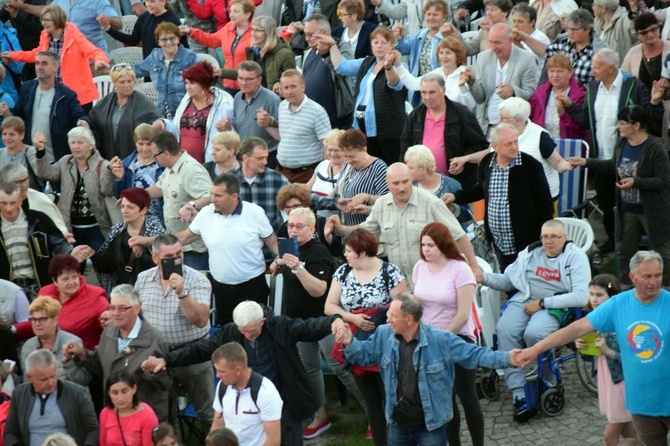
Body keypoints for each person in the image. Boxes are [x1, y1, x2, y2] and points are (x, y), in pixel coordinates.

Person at [142, 300, 348, 446]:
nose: (248, 335)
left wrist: (334, 320)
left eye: (252, 330)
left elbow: (309, 327)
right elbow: (201, 350)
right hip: (249, 403)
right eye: (244, 331)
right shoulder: (232, 332)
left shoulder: (280, 327)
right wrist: (167, 360)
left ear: (263, 321)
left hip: (286, 401)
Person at [517, 250, 670, 446]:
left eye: (658, 275)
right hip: (642, 405)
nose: (654, 282)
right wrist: (535, 349)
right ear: (632, 277)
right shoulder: (619, 304)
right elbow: (576, 329)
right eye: (647, 276)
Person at [335, 292, 523, 445]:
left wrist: (508, 358)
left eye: (392, 315)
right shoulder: (383, 334)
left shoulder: (440, 339)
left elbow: (475, 355)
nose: (387, 318)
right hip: (398, 421)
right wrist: (349, 341)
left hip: (430, 424)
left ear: (409, 319)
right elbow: (363, 355)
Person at [482, 219, 590, 422]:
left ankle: (548, 379)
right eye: (545, 237)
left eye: (554, 237)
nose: (549, 241)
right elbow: (508, 280)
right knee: (504, 328)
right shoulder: (530, 254)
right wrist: (484, 278)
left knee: (534, 333)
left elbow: (582, 296)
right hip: (525, 298)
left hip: (554, 303)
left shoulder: (576, 257)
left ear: (564, 237)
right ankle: (518, 392)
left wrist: (542, 303)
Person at [561, 49, 664, 254]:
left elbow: (649, 118)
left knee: (631, 205)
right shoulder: (591, 88)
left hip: (630, 158)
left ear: (611, 68)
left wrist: (655, 101)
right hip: (602, 158)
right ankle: (612, 241)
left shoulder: (632, 86)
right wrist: (571, 107)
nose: (592, 71)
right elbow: (586, 120)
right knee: (607, 203)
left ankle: (641, 246)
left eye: (597, 66)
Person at [568, 105, 670, 286]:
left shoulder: (655, 147)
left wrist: (636, 182)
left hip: (651, 211)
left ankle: (665, 290)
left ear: (636, 125)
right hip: (627, 209)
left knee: (662, 252)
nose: (618, 126)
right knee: (624, 251)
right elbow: (613, 165)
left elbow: (663, 180)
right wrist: (586, 162)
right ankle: (625, 289)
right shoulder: (622, 143)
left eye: (622, 123)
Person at [331, 163, 480, 287]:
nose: (401, 187)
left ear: (411, 180)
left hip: (434, 283)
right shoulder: (382, 205)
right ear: (388, 184)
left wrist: (474, 267)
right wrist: (341, 229)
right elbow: (365, 230)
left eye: (405, 182)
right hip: (401, 286)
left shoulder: (431, 202)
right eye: (396, 183)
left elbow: (459, 234)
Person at [324, 228, 407, 445]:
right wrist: (353, 318)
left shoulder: (390, 272)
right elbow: (329, 306)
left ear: (362, 252)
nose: (345, 255)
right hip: (355, 339)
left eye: (349, 251)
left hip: (385, 343)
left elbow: (402, 308)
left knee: (391, 398)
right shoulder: (342, 272)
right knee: (371, 402)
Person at [270, 207, 341, 438]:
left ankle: (374, 412)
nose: (293, 230)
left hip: (323, 321)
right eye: (291, 225)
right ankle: (320, 415)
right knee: (309, 370)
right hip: (297, 322)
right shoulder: (289, 248)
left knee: (341, 366)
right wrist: (275, 267)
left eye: (299, 226)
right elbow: (281, 281)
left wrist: (297, 267)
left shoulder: (317, 251)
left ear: (312, 229)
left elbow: (318, 291)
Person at [444, 124, 554, 270]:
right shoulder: (486, 163)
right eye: (508, 144)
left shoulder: (531, 166)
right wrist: (456, 196)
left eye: (516, 142)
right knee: (507, 281)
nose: (514, 147)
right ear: (495, 146)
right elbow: (481, 190)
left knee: (527, 282)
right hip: (498, 241)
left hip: (526, 241)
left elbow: (545, 204)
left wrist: (544, 238)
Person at [173, 173, 278, 326]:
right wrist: (148, 240)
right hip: (221, 289)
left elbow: (273, 242)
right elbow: (183, 238)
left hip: (252, 286)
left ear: (234, 196)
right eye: (212, 194)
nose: (213, 199)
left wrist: (281, 261)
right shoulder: (206, 214)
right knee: (228, 334)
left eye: (218, 195)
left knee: (254, 331)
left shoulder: (254, 213)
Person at [135, 234, 214, 428]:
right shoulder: (143, 278)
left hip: (192, 354)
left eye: (179, 253)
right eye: (169, 256)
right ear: (155, 258)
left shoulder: (197, 280)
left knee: (208, 413)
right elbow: (137, 314)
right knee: (162, 414)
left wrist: (182, 293)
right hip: (158, 354)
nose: (176, 259)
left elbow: (201, 319)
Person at [412, 222, 480, 445]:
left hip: (458, 337)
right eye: (423, 245)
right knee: (445, 399)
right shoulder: (419, 267)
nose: (426, 250)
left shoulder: (459, 269)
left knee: (467, 396)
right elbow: (418, 303)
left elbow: (462, 314)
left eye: (431, 245)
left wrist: (440, 340)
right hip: (428, 337)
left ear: (442, 245)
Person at [63, 284, 172, 422]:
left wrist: (153, 373)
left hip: (144, 419)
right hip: (113, 416)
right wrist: (82, 354)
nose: (115, 313)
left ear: (137, 308)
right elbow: (101, 366)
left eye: (122, 308)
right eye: (112, 308)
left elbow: (166, 384)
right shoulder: (109, 332)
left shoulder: (154, 340)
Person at [1, 5, 110, 110]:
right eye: (42, 20)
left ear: (57, 20)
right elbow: (37, 54)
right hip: (55, 94)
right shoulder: (45, 36)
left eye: (47, 20)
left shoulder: (74, 36)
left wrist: (100, 60)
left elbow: (93, 51)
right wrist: (13, 55)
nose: (43, 23)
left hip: (77, 97)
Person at [323, 27, 407, 163]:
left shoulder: (399, 65)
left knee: (390, 166)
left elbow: (395, 84)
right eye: (375, 42)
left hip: (388, 131)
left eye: (383, 42)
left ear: (391, 45)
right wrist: (332, 44)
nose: (379, 46)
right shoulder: (367, 62)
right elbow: (342, 67)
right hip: (364, 127)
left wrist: (388, 66)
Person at [575, 275, 636, 445]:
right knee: (628, 430)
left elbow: (633, 359)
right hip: (607, 380)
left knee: (610, 436)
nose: (594, 299)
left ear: (612, 296)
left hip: (621, 383)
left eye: (599, 295)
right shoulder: (593, 320)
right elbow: (592, 357)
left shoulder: (620, 323)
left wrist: (608, 351)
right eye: (591, 294)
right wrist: (583, 348)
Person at [0, 183, 90, 299]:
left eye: (13, 203)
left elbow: (58, 243)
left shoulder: (39, 220)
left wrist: (71, 253)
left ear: (21, 200)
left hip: (38, 284)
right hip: (7, 288)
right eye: (3, 203)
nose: (9, 208)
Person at [34, 126, 115, 251]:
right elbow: (46, 173)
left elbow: (107, 191)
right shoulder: (65, 161)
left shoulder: (103, 164)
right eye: (72, 142)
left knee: (104, 265)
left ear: (91, 145)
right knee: (74, 265)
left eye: (80, 142)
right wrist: (40, 151)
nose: (75, 146)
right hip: (71, 227)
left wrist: (110, 172)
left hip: (96, 227)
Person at [400, 74, 489, 189]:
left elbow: (481, 145)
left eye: (432, 92)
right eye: (423, 93)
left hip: (455, 185)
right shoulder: (415, 116)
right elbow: (405, 147)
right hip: (422, 185)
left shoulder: (462, 114)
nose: (427, 97)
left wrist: (463, 162)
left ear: (443, 91)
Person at [1, 51, 91, 162]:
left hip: (57, 157)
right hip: (31, 156)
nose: (39, 67)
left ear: (55, 67)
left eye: (44, 63)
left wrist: (83, 121)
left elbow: (79, 114)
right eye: (37, 63)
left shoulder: (66, 94)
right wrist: (6, 112)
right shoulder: (27, 88)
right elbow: (19, 115)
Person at [145, 131, 212, 270]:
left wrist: (191, 205)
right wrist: (135, 195)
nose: (153, 158)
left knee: (193, 288)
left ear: (166, 153)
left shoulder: (191, 170)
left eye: (155, 155)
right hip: (176, 246)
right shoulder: (170, 169)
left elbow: (211, 196)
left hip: (194, 250)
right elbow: (159, 188)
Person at [4, 349, 99, 446]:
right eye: (44, 379)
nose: (51, 383)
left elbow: (93, 430)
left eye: (53, 376)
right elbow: (10, 433)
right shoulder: (19, 395)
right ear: (29, 377)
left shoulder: (77, 393)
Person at [460, 23, 538, 133]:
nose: (493, 47)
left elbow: (530, 92)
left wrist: (513, 91)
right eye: (490, 42)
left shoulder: (527, 59)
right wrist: (472, 81)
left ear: (510, 40)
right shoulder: (483, 57)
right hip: (487, 124)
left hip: (513, 126)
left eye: (497, 43)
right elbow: (480, 98)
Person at [22, 254, 108, 349]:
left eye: (74, 277)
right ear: (55, 281)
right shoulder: (45, 293)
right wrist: (14, 330)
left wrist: (109, 318)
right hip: (48, 352)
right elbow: (38, 320)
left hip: (82, 356)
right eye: (65, 279)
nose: (71, 282)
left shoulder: (96, 296)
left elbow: (109, 324)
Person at [499, 97, 572, 207]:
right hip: (513, 196)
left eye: (503, 118)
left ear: (516, 120)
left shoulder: (540, 136)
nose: (500, 120)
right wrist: (467, 158)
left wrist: (566, 165)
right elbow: (490, 153)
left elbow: (557, 162)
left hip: (541, 197)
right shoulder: (501, 132)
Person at [156, 61, 234, 164]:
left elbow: (232, 140)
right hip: (182, 162)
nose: (188, 87)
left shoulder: (223, 108)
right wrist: (163, 122)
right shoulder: (185, 102)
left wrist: (227, 129)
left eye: (193, 83)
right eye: (186, 83)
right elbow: (176, 130)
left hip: (208, 165)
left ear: (204, 83)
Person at [92, 188, 166, 293]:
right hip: (125, 293)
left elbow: (164, 269)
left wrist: (142, 256)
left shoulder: (157, 233)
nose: (124, 211)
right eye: (122, 206)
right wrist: (92, 254)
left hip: (152, 293)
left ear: (144, 210)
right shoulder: (117, 231)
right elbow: (107, 267)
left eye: (130, 207)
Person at [210, 343, 282, 446]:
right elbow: (218, 424)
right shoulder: (223, 386)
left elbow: (273, 441)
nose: (217, 375)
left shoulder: (266, 392)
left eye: (222, 371)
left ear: (238, 370)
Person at [314, 129, 389, 226]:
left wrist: (367, 199)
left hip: (369, 230)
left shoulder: (379, 168)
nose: (348, 160)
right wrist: (331, 198)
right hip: (347, 228)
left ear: (364, 150)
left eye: (352, 156)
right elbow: (340, 185)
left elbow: (388, 200)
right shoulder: (347, 164)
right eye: (345, 156)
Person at [180, 0, 256, 95]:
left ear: (247, 14)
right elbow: (211, 40)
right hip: (229, 85)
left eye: (236, 11)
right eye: (230, 11)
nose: (231, 15)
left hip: (249, 86)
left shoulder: (256, 31)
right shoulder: (228, 28)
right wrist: (191, 31)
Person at [90, 64, 161, 161]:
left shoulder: (144, 104)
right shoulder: (105, 103)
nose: (127, 85)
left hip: (136, 160)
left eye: (129, 81)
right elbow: (92, 120)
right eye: (122, 82)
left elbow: (157, 123)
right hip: (109, 159)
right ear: (114, 83)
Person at [274, 69, 331, 183]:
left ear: (303, 87)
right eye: (286, 88)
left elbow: (328, 144)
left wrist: (325, 176)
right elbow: (285, 137)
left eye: (293, 86)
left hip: (307, 175)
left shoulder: (317, 111)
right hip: (282, 172)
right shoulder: (282, 106)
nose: (289, 91)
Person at [525, 9, 608, 86]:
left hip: (583, 98)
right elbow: (545, 52)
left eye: (575, 30)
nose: (570, 33)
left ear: (587, 30)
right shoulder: (564, 43)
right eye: (568, 29)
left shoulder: (599, 51)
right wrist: (523, 37)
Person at [134, 22, 200, 120]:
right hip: (162, 114)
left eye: (172, 38)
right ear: (158, 42)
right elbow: (136, 70)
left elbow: (204, 78)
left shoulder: (189, 57)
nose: (168, 42)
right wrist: (113, 69)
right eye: (164, 39)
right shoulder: (154, 57)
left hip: (187, 114)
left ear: (178, 39)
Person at [20, 296, 90, 387]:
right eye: (34, 319)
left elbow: (84, 380)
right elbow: (27, 383)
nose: (37, 324)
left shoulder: (73, 342)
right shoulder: (28, 346)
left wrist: (68, 363)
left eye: (42, 319)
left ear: (55, 320)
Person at [392, 0, 452, 106]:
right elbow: (405, 49)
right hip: (419, 86)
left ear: (444, 17)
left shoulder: (448, 36)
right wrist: (400, 38)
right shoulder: (421, 34)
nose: (431, 18)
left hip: (440, 86)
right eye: (428, 14)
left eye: (435, 14)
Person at [299, 13, 354, 129]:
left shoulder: (342, 48)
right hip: (311, 120)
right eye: (305, 34)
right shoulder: (308, 52)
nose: (306, 39)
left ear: (324, 33)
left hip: (336, 121)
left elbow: (344, 72)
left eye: (310, 35)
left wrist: (326, 54)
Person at [391, 37, 476, 109]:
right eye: (441, 53)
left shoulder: (464, 73)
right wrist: (398, 65)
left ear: (457, 56)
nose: (444, 57)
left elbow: (470, 105)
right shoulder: (437, 73)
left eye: (448, 53)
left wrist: (462, 87)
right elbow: (412, 84)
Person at [624, 13, 670, 146]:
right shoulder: (633, 52)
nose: (650, 34)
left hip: (666, 109)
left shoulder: (669, 49)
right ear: (638, 36)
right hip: (641, 113)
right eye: (644, 32)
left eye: (654, 29)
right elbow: (624, 80)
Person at [228, 60, 281, 167]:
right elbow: (239, 124)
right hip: (243, 157)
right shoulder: (237, 97)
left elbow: (284, 129)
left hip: (266, 158)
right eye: (240, 78)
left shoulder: (271, 99)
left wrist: (270, 121)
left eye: (248, 79)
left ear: (259, 80)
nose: (243, 83)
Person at [110, 124, 164, 224]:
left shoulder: (162, 163)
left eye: (148, 144)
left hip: (160, 218)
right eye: (141, 144)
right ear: (135, 143)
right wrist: (119, 179)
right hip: (136, 219)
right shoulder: (127, 164)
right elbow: (120, 198)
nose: (145, 148)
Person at [231, 137, 289, 231]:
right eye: (260, 158)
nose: (265, 162)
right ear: (245, 157)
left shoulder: (276, 179)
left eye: (266, 157)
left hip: (270, 239)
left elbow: (298, 196)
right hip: (239, 238)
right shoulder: (229, 180)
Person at [528, 53, 589, 141]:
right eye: (552, 71)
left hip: (568, 146)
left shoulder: (581, 95)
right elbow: (530, 117)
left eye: (560, 71)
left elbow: (580, 129)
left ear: (570, 73)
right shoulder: (540, 92)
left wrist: (563, 114)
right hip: (542, 144)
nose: (555, 75)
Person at [275, 184, 343, 257]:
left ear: (305, 204)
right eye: (287, 207)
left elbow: (338, 252)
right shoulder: (284, 229)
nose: (292, 210)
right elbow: (284, 257)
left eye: (296, 206)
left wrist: (328, 237)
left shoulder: (322, 223)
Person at [104, 0, 186, 59]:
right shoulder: (144, 17)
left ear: (163, 2)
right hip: (149, 66)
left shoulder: (172, 19)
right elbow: (133, 40)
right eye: (147, 1)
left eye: (152, 1)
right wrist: (110, 30)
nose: (148, 4)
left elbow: (183, 46)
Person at [0, 163, 67, 235]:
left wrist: (63, 234)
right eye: (18, 182)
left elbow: (58, 229)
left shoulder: (40, 199)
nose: (24, 185)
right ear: (6, 184)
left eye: (25, 180)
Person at [99, 371, 159, 446]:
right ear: (108, 393)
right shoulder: (105, 413)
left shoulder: (147, 415)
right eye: (115, 393)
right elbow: (103, 443)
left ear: (134, 389)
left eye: (124, 391)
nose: (120, 398)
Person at [245, 16, 296, 93]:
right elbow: (244, 73)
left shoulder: (285, 54)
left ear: (268, 32)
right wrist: (221, 72)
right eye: (252, 29)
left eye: (257, 30)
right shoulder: (254, 52)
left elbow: (291, 79)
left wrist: (279, 83)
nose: (253, 34)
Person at [305, 129, 347, 216]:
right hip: (317, 220)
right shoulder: (322, 165)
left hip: (340, 221)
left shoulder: (350, 170)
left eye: (336, 150)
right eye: (330, 150)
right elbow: (306, 189)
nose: (332, 154)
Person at [510, 3, 550, 79]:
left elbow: (532, 63)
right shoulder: (511, 35)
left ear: (532, 22)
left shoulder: (540, 38)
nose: (516, 25)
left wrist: (517, 44)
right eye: (514, 21)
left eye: (520, 21)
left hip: (533, 80)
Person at [0, 117, 41, 191]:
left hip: (28, 197)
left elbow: (41, 173)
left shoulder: (31, 152)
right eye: (4, 134)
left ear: (22, 135)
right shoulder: (1, 153)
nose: (7, 138)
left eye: (12, 134)